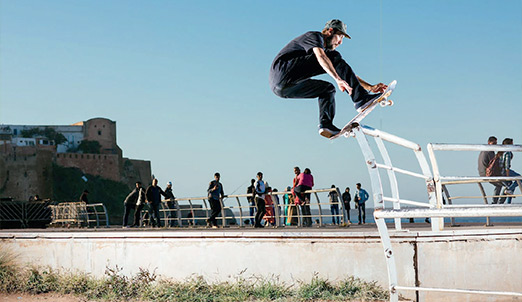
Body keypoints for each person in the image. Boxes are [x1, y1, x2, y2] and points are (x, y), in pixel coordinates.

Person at [269, 19, 387, 138]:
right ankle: (361, 99)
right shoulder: (315, 36)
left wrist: (370, 87)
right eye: (340, 37)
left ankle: (326, 125)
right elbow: (321, 56)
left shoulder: (323, 54)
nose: (340, 42)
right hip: (283, 71)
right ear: (330, 31)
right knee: (333, 57)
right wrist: (337, 79)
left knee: (327, 89)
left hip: (281, 88)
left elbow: (342, 72)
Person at [478, 136, 506, 204]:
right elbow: (493, 165)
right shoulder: (489, 152)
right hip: (487, 173)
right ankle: (497, 202)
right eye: (494, 143)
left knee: (500, 184)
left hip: (482, 172)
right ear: (489, 143)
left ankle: (496, 201)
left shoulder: (484, 150)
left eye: (496, 143)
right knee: (504, 184)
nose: (495, 145)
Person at [500, 138, 520, 204]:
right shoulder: (507, 152)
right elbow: (507, 165)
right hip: (505, 171)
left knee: (511, 185)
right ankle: (508, 190)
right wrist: (507, 175)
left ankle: (508, 202)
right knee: (519, 178)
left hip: (500, 171)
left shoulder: (501, 152)